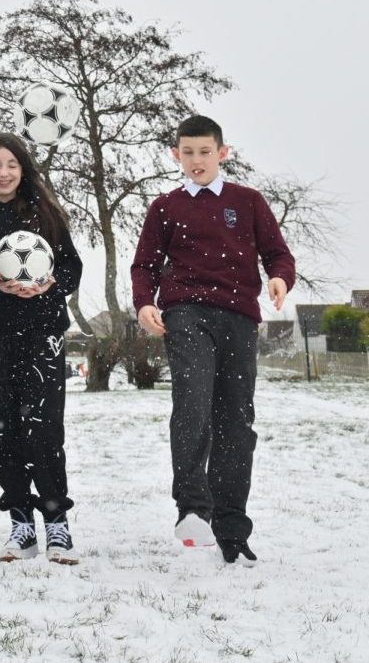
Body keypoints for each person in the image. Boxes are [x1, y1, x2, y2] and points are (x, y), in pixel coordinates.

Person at [131, 115, 295, 566]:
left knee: (236, 423)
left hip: (239, 317)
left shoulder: (247, 201)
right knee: (193, 401)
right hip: (186, 312)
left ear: (223, 153)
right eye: (188, 152)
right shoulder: (165, 207)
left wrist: (280, 278)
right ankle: (192, 508)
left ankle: (231, 527)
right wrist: (145, 302)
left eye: (205, 152)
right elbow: (144, 264)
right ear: (175, 155)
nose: (197, 160)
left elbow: (278, 253)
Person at [0, 133, 84, 565]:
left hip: (43, 332)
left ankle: (56, 523)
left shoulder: (46, 215)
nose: (3, 172)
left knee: (44, 426)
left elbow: (71, 267)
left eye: (12, 164)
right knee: (2, 430)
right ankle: (21, 522)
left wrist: (51, 285)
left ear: (23, 169)